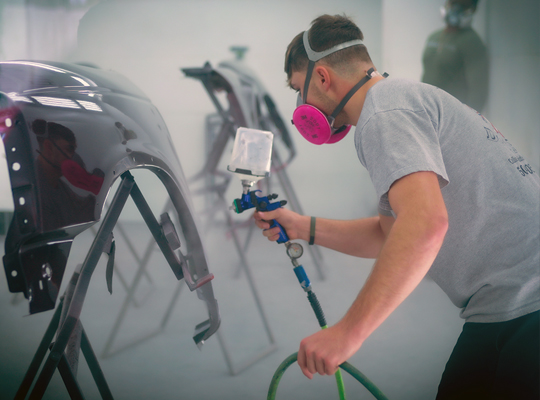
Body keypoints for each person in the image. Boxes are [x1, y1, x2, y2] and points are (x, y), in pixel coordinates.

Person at [254, 14, 539, 399]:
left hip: (526, 303)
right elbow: (392, 233)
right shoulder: (397, 100)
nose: (300, 104)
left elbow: (425, 225)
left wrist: (347, 333)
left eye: (298, 89)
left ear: (321, 78)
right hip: (508, 302)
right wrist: (302, 226)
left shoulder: (384, 112)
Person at [422, 0, 489, 112]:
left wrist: (467, 123)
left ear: (473, 9)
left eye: (463, 6)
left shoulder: (472, 42)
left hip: (451, 115)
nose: (456, 9)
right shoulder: (433, 37)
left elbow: (478, 91)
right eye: (453, 3)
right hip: (428, 110)